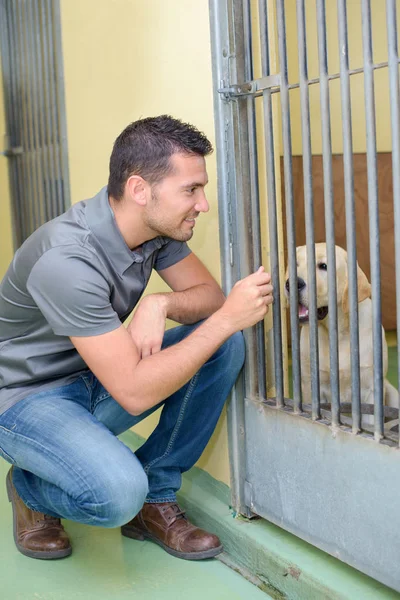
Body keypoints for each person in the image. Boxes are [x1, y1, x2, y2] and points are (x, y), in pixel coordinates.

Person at [0, 115, 273, 561]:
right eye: (191, 190)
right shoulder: (66, 261)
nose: (202, 205)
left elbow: (207, 297)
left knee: (222, 343)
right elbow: (132, 392)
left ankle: (156, 497)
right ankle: (30, 488)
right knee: (116, 495)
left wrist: (159, 304)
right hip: (26, 399)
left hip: (95, 374)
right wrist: (228, 318)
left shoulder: (154, 230)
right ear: (140, 190)